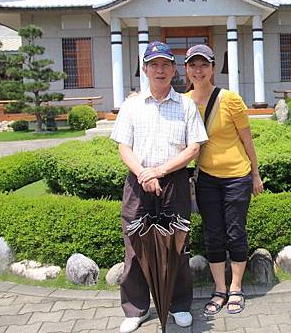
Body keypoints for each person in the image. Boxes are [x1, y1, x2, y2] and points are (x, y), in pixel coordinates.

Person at [111, 41, 208, 333]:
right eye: (154, 64)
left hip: (174, 183)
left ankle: (178, 305)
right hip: (138, 183)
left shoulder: (186, 104)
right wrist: (144, 173)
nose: (160, 70)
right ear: (145, 69)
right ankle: (136, 308)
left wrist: (160, 171)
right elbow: (123, 147)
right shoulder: (131, 106)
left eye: (166, 64)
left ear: (174, 69)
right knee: (135, 246)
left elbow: (193, 148)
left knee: (177, 247)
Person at [184, 44, 264, 317]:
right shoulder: (183, 102)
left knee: (235, 231)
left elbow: (247, 139)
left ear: (213, 68)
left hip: (237, 178)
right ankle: (220, 289)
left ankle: (237, 287)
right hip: (206, 179)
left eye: (204, 64)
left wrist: (255, 174)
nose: (198, 70)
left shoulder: (230, 99)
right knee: (213, 234)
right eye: (193, 65)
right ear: (186, 70)